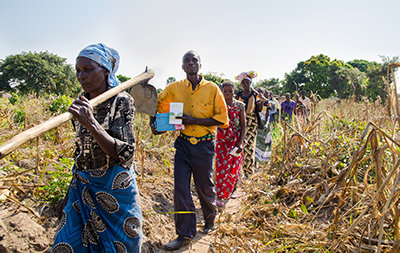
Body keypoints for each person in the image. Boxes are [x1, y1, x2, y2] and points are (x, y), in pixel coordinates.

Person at [52, 43, 142, 252]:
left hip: (114, 190)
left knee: (120, 246)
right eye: (78, 70)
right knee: (65, 245)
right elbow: (81, 151)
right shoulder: (81, 104)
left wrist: (91, 123)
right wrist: (68, 194)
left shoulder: (121, 101)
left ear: (105, 71)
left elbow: (125, 153)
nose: (81, 76)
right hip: (83, 188)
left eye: (88, 69)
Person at [151, 50, 229, 251]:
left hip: (204, 145)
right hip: (183, 145)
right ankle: (185, 234)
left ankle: (210, 219)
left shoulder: (212, 89)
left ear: (200, 65)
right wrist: (155, 122)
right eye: (187, 61)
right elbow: (158, 105)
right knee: (181, 189)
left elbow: (222, 119)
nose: (191, 63)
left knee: (205, 187)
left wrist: (194, 120)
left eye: (195, 60)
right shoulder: (174, 88)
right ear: (182, 67)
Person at [215, 81, 246, 207]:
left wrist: (240, 142)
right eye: (225, 91)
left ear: (234, 91)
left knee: (234, 167)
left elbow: (243, 125)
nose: (227, 94)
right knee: (221, 168)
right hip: (222, 141)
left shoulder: (240, 105)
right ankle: (220, 195)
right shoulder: (218, 105)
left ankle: (230, 190)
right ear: (221, 91)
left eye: (230, 91)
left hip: (236, 140)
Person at [235, 71, 262, 176]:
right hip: (240, 122)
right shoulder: (238, 95)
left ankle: (249, 172)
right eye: (244, 83)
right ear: (241, 84)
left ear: (250, 83)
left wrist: (260, 102)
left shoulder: (255, 94)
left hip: (251, 122)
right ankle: (239, 172)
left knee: (249, 146)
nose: (246, 85)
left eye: (248, 83)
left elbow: (259, 109)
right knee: (239, 144)